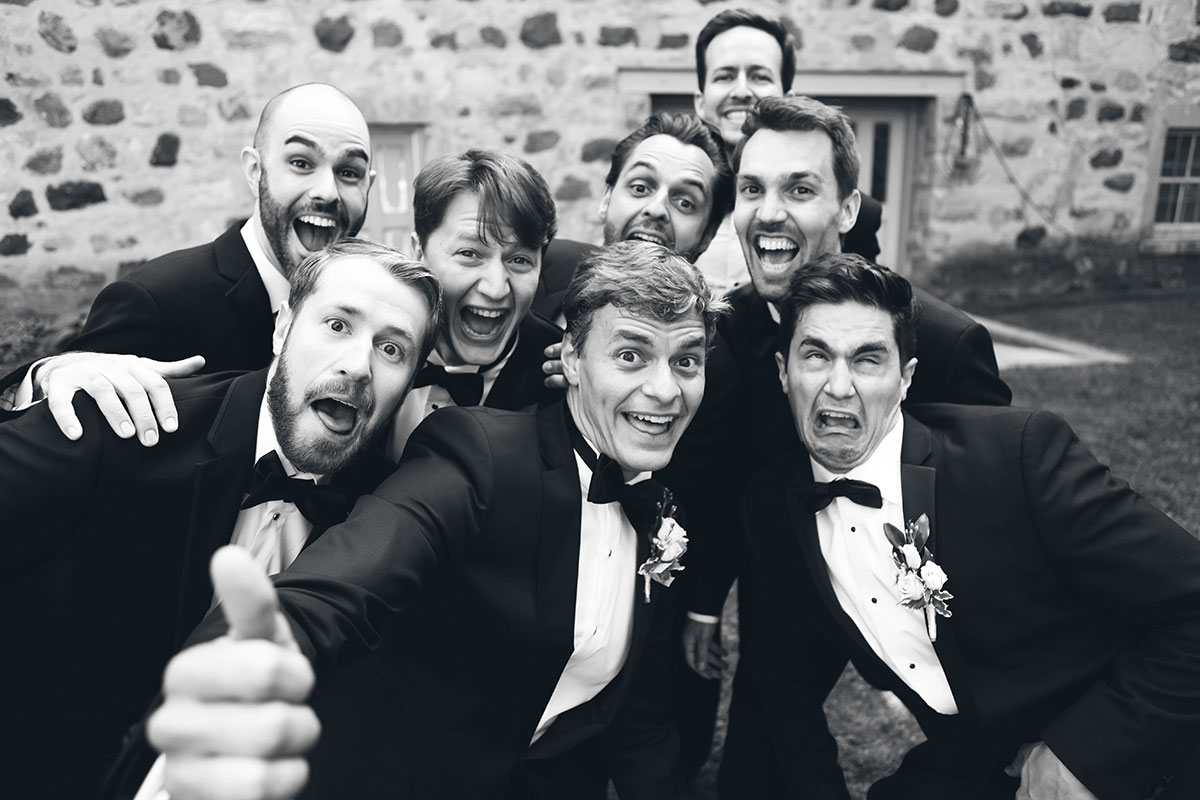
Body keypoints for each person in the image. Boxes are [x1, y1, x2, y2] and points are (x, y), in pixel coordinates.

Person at [126, 241, 728, 800]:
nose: (665, 390)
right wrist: (255, 657)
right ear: (571, 357)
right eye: (630, 355)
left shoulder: (660, 508)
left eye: (686, 361)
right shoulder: (479, 456)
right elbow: (350, 575)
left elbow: (639, 721)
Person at [720, 251, 1200, 800]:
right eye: (816, 355)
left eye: (868, 360)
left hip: (1139, 746)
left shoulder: (1018, 458)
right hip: (975, 762)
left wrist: (1082, 756)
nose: (839, 385)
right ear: (783, 373)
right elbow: (784, 690)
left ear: (906, 379)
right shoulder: (770, 509)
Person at [0, 240, 441, 798]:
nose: (358, 366)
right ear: (283, 329)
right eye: (337, 325)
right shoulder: (123, 425)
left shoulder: (386, 512)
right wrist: (39, 377)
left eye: (392, 349)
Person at [679, 95, 1010, 722]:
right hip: (783, 588)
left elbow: (993, 507)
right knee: (762, 752)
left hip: (923, 595)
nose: (768, 212)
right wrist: (703, 601)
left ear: (848, 209)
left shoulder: (945, 343)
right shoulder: (728, 333)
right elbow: (722, 476)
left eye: (800, 189)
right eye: (752, 189)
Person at [0, 82, 374, 447]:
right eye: (301, 163)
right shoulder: (156, 300)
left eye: (349, 172)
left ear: (368, 185)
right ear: (254, 170)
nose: (328, 191)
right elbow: (44, 432)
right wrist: (45, 376)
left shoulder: (372, 320)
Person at [690, 8, 882, 291]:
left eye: (759, 77)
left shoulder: (853, 214)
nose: (741, 91)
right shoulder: (675, 199)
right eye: (725, 77)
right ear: (700, 101)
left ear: (787, 97)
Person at [389, 148, 563, 455]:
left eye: (519, 260)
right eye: (469, 253)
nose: (496, 289)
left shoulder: (562, 380)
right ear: (418, 253)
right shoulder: (372, 342)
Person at [533, 111, 731, 322]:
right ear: (607, 198)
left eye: (685, 203)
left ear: (708, 235)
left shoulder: (709, 339)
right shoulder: (535, 266)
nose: (656, 209)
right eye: (640, 188)